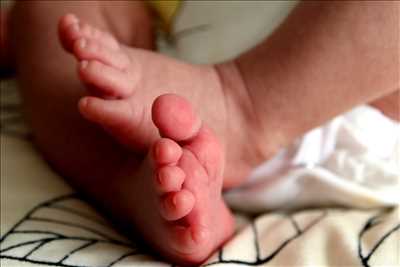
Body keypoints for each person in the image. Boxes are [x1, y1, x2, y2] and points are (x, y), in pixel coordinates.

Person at [2, 1, 398, 265]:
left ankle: (242, 107)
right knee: (49, 12)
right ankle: (134, 183)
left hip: (364, 85)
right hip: (156, 87)